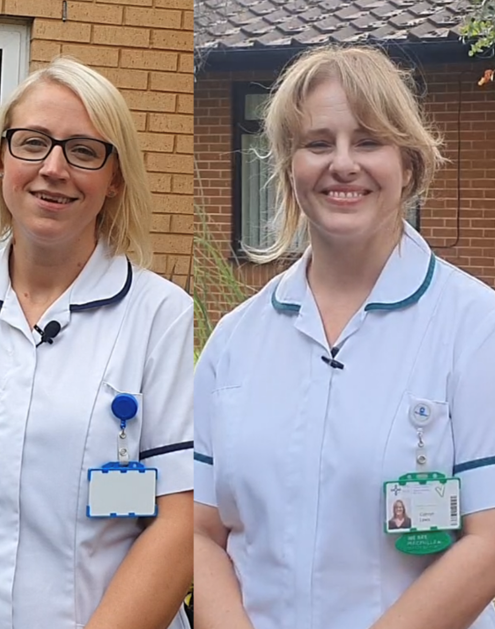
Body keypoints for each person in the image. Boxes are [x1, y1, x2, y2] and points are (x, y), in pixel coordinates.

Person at [194, 45, 495, 629]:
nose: (343, 164)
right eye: (317, 143)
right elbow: (204, 533)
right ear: (287, 167)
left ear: (408, 165)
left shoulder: (477, 326)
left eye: (368, 141)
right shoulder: (234, 343)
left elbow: (488, 541)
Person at [0, 57, 194, 629]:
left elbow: (179, 519)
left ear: (115, 179)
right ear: (2, 161)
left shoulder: (162, 317)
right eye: (32, 143)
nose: (53, 168)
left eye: (83, 151)